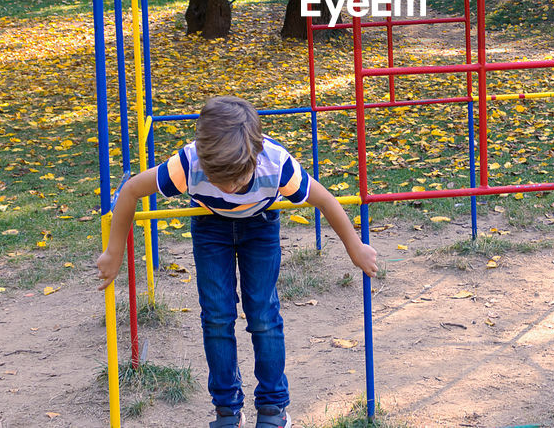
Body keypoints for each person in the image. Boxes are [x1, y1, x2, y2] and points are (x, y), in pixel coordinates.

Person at [96, 96, 378, 428]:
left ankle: (274, 408)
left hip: (260, 227)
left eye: (238, 180)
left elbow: (325, 199)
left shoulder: (276, 165)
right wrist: (114, 252)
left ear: (255, 158)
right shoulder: (189, 164)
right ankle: (227, 409)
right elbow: (130, 191)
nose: (230, 188)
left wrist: (354, 246)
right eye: (221, 181)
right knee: (216, 316)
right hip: (210, 228)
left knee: (263, 314)